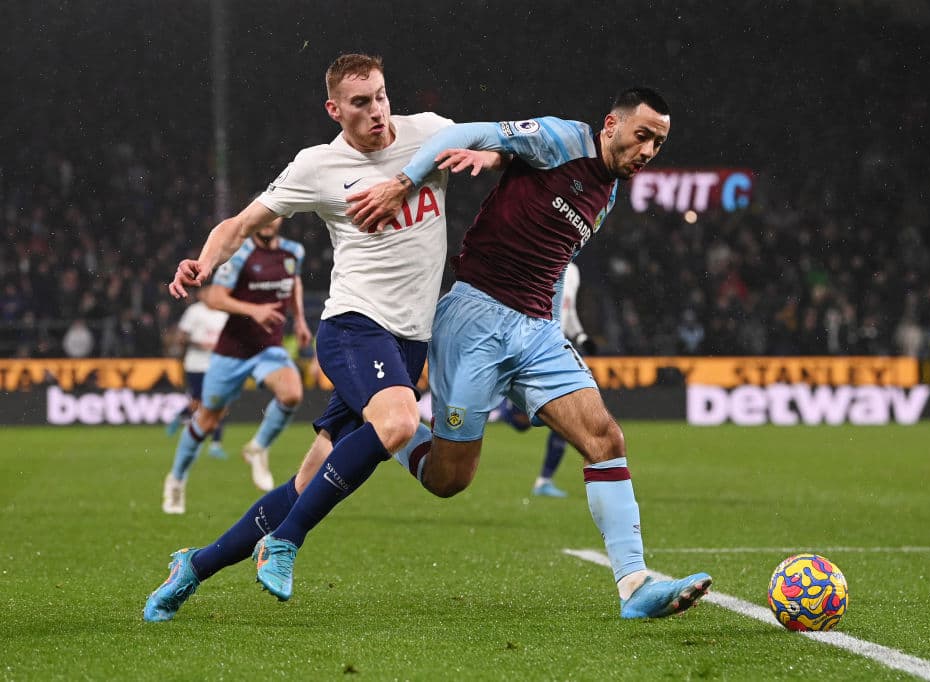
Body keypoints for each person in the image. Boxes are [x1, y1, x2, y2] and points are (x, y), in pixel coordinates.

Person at [251, 88, 713, 619]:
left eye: (659, 142)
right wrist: (406, 182)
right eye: (643, 135)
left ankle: (635, 586)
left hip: (537, 332)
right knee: (450, 479)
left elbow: (558, 259)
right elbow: (462, 133)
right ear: (611, 124)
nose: (649, 150)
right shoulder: (563, 138)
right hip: (476, 320)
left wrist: (557, 325)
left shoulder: (605, 195)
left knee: (605, 437)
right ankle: (385, 425)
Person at [143, 53, 504, 619]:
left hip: (408, 342)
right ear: (335, 110)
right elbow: (239, 224)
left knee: (307, 482)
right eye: (360, 102)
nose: (377, 110)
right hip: (354, 327)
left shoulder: (430, 132)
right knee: (401, 421)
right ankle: (285, 542)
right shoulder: (317, 166)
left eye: (381, 95)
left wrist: (488, 153)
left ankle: (194, 565)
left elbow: (503, 141)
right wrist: (204, 261)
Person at [159, 215, 311, 514]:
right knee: (207, 420)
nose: (268, 223)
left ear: (282, 219)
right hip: (233, 351)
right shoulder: (240, 253)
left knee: (292, 393)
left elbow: (294, 283)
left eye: (275, 217)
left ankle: (257, 448)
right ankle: (176, 479)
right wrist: (253, 310)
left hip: (269, 347)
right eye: (265, 217)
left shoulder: (294, 251)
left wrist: (301, 320)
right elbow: (213, 296)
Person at [497, 261, 592, 498]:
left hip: (557, 348)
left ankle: (544, 481)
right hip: (530, 344)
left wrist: (581, 336)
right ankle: (499, 405)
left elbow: (568, 313)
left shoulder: (574, 271)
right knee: (521, 423)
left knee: (571, 414)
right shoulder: (541, 256)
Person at [165, 285, 230, 461]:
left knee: (221, 404)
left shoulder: (224, 315)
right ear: (203, 295)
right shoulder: (194, 312)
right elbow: (181, 337)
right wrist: (201, 344)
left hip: (217, 365)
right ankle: (181, 417)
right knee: (199, 403)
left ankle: (216, 445)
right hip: (196, 365)